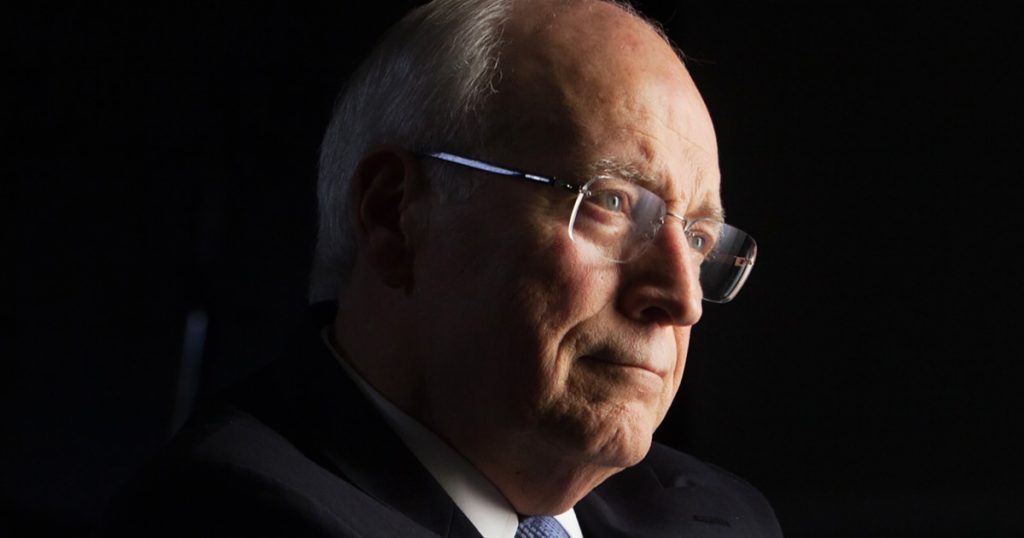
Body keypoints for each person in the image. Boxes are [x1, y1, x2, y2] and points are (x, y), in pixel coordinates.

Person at [103, 0, 779, 536]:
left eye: (698, 236)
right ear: (394, 216)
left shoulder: (724, 517)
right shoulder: (230, 514)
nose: (682, 298)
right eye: (612, 202)